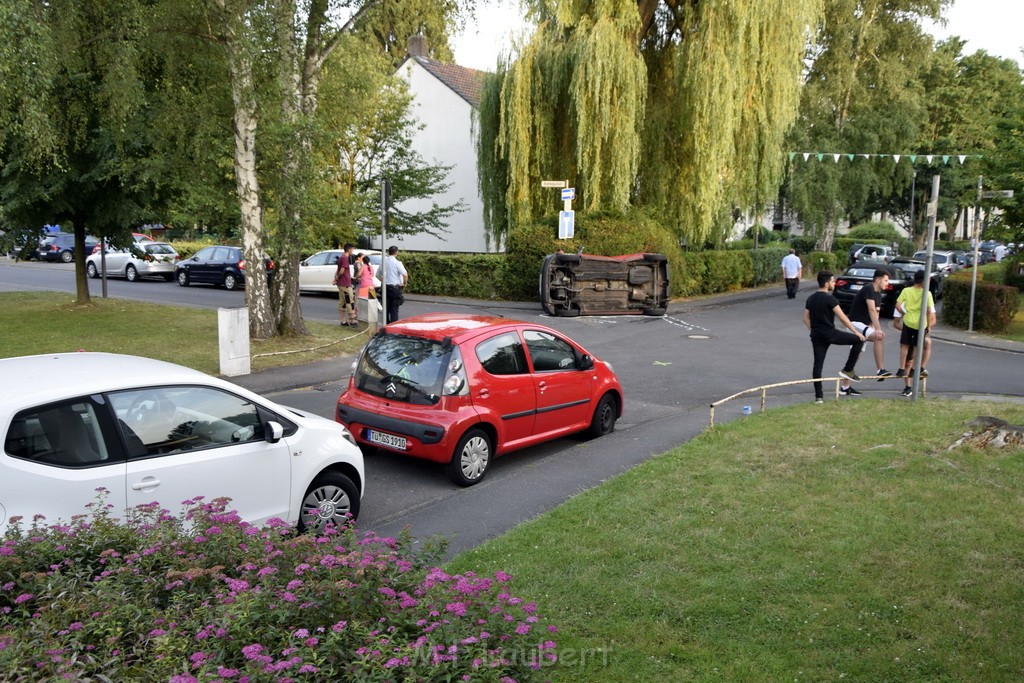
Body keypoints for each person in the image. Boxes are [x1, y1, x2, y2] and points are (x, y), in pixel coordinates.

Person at [803, 271, 867, 403]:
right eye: (832, 281)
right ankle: (848, 369)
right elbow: (843, 318)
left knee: (818, 365)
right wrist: (856, 332)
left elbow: (805, 318)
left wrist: (814, 329)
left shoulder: (811, 298)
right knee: (859, 341)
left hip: (816, 335)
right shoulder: (830, 299)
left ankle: (819, 397)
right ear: (826, 284)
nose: (834, 283)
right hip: (830, 333)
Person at [894, 270, 936, 397]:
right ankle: (915, 369)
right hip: (920, 323)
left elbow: (898, 305)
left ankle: (901, 368)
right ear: (923, 281)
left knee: (905, 346)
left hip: (908, 322)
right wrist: (928, 325)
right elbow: (929, 311)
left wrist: (904, 313)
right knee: (918, 347)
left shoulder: (906, 291)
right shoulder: (927, 293)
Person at [848, 268, 892, 384]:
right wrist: (878, 330)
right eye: (886, 280)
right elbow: (871, 310)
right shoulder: (869, 288)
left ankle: (844, 387)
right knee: (879, 337)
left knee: (856, 354)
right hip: (855, 324)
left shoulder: (878, 294)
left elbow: (876, 314)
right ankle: (880, 370)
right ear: (878, 280)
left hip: (864, 326)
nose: (888, 283)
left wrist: (873, 327)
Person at [332, 243, 358, 327]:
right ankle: (352, 320)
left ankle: (343, 321)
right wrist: (337, 277)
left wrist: (336, 278)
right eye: (352, 249)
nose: (352, 251)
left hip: (341, 283)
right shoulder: (345, 258)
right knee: (350, 300)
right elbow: (342, 271)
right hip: (345, 283)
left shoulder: (341, 257)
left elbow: (338, 269)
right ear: (349, 249)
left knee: (342, 301)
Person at [382, 245, 408, 324]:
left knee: (386, 308)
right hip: (395, 288)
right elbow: (405, 274)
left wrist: (384, 281)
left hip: (385, 287)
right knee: (394, 308)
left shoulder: (384, 262)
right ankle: (393, 326)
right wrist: (404, 283)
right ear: (396, 252)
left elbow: (378, 275)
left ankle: (385, 324)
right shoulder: (397, 263)